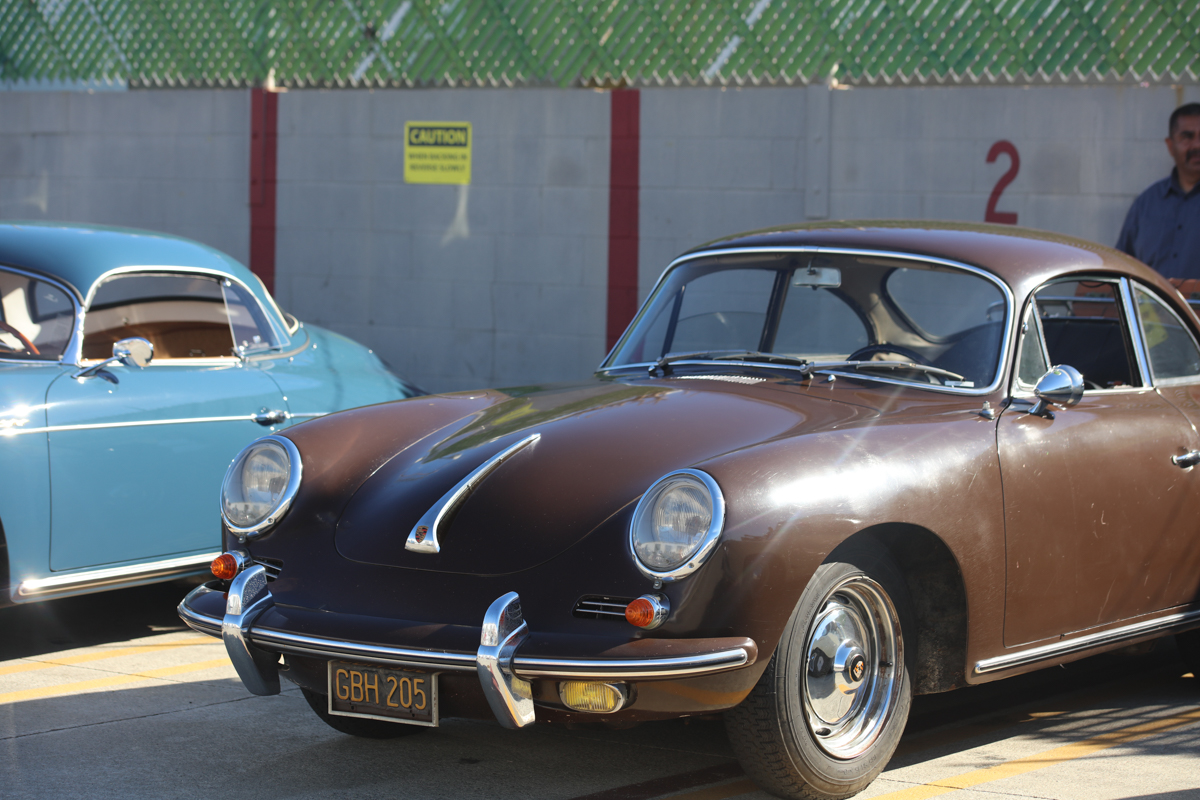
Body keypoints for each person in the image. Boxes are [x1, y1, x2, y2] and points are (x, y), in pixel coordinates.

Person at [1116, 103, 1200, 280]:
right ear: (1170, 145)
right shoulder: (1146, 204)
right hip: (1150, 300)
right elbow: (1121, 266)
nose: (1196, 145)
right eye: (1187, 137)